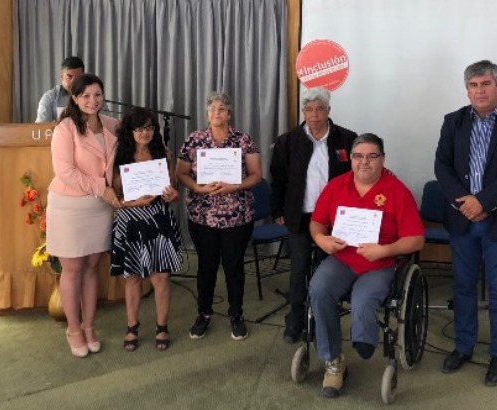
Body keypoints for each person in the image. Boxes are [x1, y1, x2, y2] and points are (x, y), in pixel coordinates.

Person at [434, 60, 497, 386]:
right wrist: (467, 204)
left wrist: (484, 202)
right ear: (467, 90)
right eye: (473, 85)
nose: (479, 90)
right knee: (463, 287)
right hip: (463, 219)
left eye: (485, 84)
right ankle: (463, 347)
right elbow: (442, 166)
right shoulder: (453, 122)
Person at [309, 134, 425, 398]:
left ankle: (363, 340)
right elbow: (316, 221)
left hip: (380, 263)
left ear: (382, 160)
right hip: (342, 258)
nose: (365, 162)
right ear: (350, 160)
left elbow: (417, 239)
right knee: (318, 289)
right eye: (358, 156)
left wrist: (385, 249)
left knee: (364, 298)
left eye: (372, 156)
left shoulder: (397, 191)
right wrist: (321, 239)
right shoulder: (336, 186)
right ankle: (333, 360)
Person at [270, 87, 358, 344]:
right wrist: (278, 210)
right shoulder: (289, 141)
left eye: (320, 109)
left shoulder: (347, 139)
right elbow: (278, 178)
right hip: (300, 218)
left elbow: (356, 180)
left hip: (333, 221)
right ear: (303, 112)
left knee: (324, 273)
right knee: (298, 271)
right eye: (309, 110)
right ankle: (295, 321)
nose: (314, 115)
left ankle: (321, 321)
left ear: (328, 111)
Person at [176, 92, 262, 341]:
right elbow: (181, 173)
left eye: (222, 109)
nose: (217, 113)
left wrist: (235, 186)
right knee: (206, 265)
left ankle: (236, 314)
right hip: (202, 216)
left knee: (234, 265)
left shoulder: (243, 140)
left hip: (237, 214)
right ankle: (203, 313)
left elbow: (256, 174)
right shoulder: (194, 140)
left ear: (229, 114)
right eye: (212, 109)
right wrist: (197, 188)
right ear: (207, 114)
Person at [47, 73, 121, 358]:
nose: (93, 101)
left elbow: (139, 132)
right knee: (73, 270)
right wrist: (101, 189)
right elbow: (65, 171)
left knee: (92, 268)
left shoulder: (111, 125)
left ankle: (90, 326)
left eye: (98, 95)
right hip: (70, 206)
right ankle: (74, 329)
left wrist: (156, 150)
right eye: (86, 96)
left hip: (98, 208)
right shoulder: (65, 128)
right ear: (75, 99)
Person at [111, 106, 183, 352]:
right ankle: (132, 327)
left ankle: (162, 326)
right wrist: (133, 195)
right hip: (131, 219)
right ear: (129, 131)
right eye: (140, 128)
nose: (145, 133)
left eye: (150, 127)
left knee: (161, 277)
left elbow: (172, 192)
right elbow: (115, 192)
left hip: (158, 220)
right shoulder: (120, 155)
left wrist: (173, 195)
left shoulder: (163, 153)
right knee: (132, 277)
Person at [36, 56, 85, 123]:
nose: (74, 82)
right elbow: (41, 127)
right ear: (61, 77)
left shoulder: (93, 95)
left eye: (78, 78)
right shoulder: (50, 97)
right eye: (69, 77)